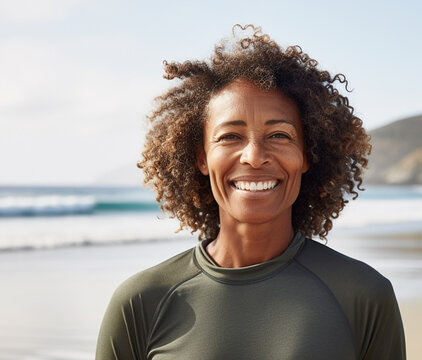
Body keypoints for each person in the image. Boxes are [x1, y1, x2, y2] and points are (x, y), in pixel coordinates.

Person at [96, 25, 405, 360]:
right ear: (201, 157)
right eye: (230, 136)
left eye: (279, 136)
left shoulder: (364, 296)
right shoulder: (140, 303)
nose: (254, 156)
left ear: (307, 155)